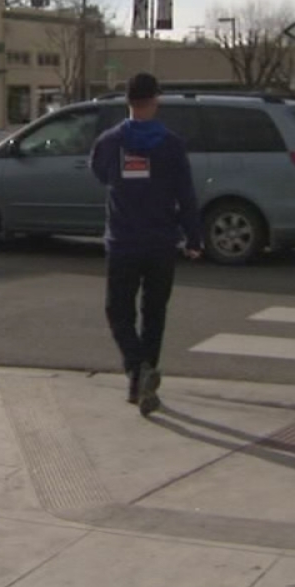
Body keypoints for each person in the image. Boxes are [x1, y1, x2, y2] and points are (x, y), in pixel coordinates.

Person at [88, 72, 204, 416]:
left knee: (117, 310)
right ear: (155, 100)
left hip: (123, 241)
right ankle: (144, 375)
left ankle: (137, 372)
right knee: (154, 313)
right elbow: (186, 193)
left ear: (127, 101)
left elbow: (100, 175)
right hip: (161, 242)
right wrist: (193, 237)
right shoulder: (171, 144)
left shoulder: (109, 142)